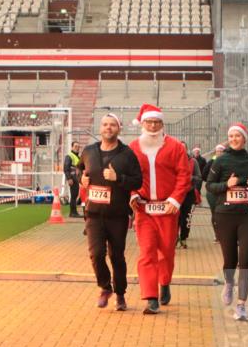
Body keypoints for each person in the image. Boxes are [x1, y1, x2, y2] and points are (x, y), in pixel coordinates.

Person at [128, 104, 192, 315]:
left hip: (167, 209)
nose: (153, 126)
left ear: (162, 124)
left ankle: (164, 282)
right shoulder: (133, 148)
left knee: (166, 252)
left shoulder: (175, 147)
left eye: (157, 122)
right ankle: (151, 297)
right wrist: (133, 194)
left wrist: (175, 200)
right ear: (143, 124)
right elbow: (128, 177)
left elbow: (184, 175)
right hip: (144, 209)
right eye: (149, 122)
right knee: (147, 253)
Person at [78, 113, 142, 311]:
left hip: (117, 215)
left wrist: (119, 178)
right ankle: (105, 287)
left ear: (118, 128)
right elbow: (78, 169)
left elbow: (138, 181)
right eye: (105, 125)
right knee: (96, 254)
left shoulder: (127, 154)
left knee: (117, 256)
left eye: (112, 125)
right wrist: (81, 179)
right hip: (94, 214)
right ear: (100, 128)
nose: (108, 128)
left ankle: (120, 294)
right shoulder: (88, 151)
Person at [205, 123, 248, 321]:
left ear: (244, 138)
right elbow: (209, 186)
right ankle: (229, 282)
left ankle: (241, 305)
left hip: (247, 215)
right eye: (231, 136)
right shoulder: (220, 161)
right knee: (230, 260)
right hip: (224, 214)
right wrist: (226, 185)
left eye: (238, 136)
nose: (234, 139)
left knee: (245, 260)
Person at [177, 146, 203, 249]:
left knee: (186, 218)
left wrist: (190, 178)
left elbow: (199, 178)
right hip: (175, 194)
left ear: (186, 149)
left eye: (184, 148)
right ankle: (174, 238)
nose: (181, 149)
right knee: (175, 218)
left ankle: (183, 238)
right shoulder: (172, 160)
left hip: (188, 193)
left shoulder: (193, 162)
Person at [204, 143, 226, 239]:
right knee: (215, 213)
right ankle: (217, 234)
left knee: (225, 213)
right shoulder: (211, 162)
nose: (220, 153)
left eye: (221, 151)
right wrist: (211, 182)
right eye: (218, 151)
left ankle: (225, 234)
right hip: (212, 192)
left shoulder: (227, 162)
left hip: (224, 190)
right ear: (215, 152)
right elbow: (203, 174)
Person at [63, 141, 83, 217]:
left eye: (78, 147)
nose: (77, 148)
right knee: (74, 195)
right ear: (72, 147)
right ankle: (73, 213)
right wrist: (69, 178)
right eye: (75, 146)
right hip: (72, 178)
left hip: (76, 178)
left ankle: (74, 212)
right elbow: (66, 168)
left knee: (75, 195)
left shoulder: (77, 156)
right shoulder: (69, 156)